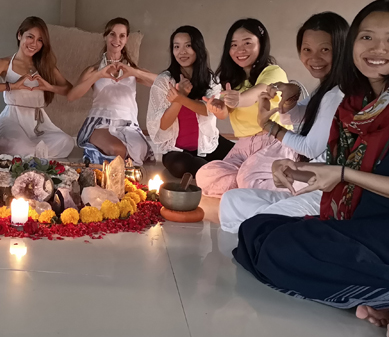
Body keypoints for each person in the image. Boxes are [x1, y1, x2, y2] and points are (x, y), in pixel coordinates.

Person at [234, 0, 389, 337]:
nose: (377, 49)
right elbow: (338, 170)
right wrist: (294, 170)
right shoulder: (357, 103)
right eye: (367, 37)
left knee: (285, 247)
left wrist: (343, 174)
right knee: (256, 231)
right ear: (353, 44)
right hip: (369, 222)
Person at [219, 12, 349, 232]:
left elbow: (310, 148)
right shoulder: (326, 87)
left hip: (326, 189)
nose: (314, 58)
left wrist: (271, 127)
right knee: (231, 200)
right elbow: (299, 114)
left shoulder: (337, 93)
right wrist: (290, 97)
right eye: (307, 50)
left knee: (259, 219)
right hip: (307, 175)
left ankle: (280, 229)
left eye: (325, 49)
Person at [194, 18, 297, 197]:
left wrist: (239, 99)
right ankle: (255, 185)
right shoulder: (233, 81)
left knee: (247, 177)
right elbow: (224, 113)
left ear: (261, 44)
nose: (240, 50)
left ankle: (275, 185)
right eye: (234, 45)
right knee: (205, 176)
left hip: (274, 143)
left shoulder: (273, 71)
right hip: (243, 147)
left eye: (247, 43)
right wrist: (217, 108)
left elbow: (259, 91)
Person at [0, 16, 74, 158]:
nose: (34, 44)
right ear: (19, 35)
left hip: (38, 123)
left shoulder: (46, 66)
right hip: (12, 120)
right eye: (30, 37)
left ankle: (30, 154)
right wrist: (11, 86)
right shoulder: (4, 63)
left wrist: (49, 87)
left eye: (40, 40)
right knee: (17, 145)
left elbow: (69, 90)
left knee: (67, 141)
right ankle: (33, 154)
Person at [146, 25, 234, 178]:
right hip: (176, 150)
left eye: (188, 45)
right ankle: (210, 170)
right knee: (182, 166)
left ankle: (211, 169)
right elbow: (164, 124)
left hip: (207, 144)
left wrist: (181, 98)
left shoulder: (210, 79)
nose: (182, 52)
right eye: (176, 47)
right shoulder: (164, 81)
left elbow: (206, 110)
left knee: (242, 156)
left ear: (198, 48)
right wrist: (179, 98)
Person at [69, 17, 156, 165]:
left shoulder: (132, 70)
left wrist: (135, 72)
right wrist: (98, 75)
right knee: (118, 150)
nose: (117, 40)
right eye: (112, 34)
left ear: (127, 39)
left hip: (128, 125)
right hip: (100, 123)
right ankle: (93, 152)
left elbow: (164, 84)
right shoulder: (94, 70)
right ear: (105, 36)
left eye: (122, 36)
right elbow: (72, 96)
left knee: (140, 151)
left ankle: (100, 156)